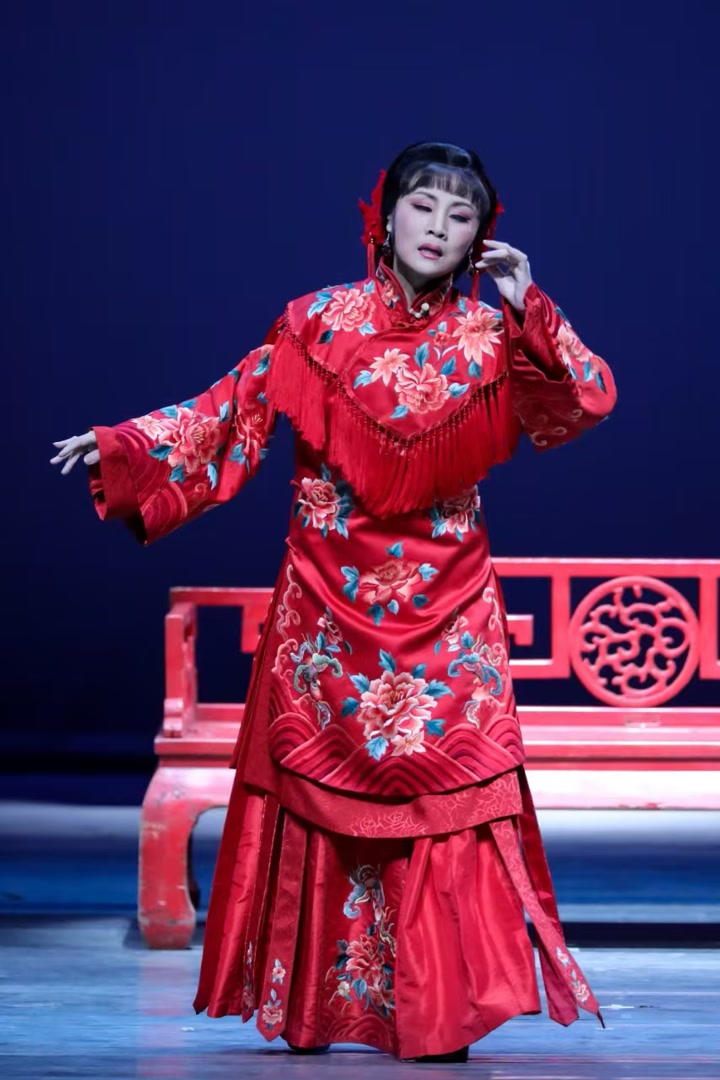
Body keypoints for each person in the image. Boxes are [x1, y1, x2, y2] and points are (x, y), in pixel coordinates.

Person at [51, 142, 616, 1064]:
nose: (438, 228)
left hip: (448, 617)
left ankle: (436, 1013)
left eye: (461, 215)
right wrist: (126, 447)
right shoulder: (314, 322)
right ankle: (319, 1008)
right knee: (322, 804)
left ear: (481, 238)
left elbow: (585, 400)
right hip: (326, 613)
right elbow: (229, 414)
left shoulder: (491, 335)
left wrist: (529, 306)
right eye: (422, 206)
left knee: (444, 807)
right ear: (383, 218)